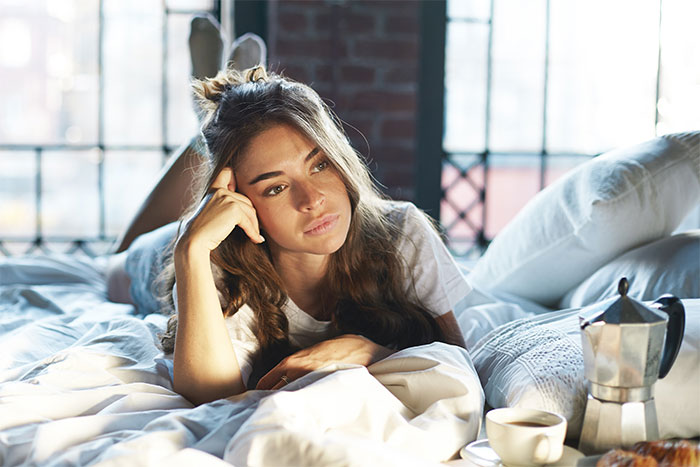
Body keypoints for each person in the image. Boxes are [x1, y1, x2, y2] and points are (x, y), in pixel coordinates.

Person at [106, 17, 471, 407]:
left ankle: (219, 116)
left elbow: (455, 360)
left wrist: (369, 351)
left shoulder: (404, 233)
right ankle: (207, 132)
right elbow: (210, 397)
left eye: (319, 165)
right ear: (236, 196)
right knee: (112, 267)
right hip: (160, 256)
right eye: (276, 187)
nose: (312, 199)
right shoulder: (216, 258)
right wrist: (190, 251)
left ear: (341, 160)